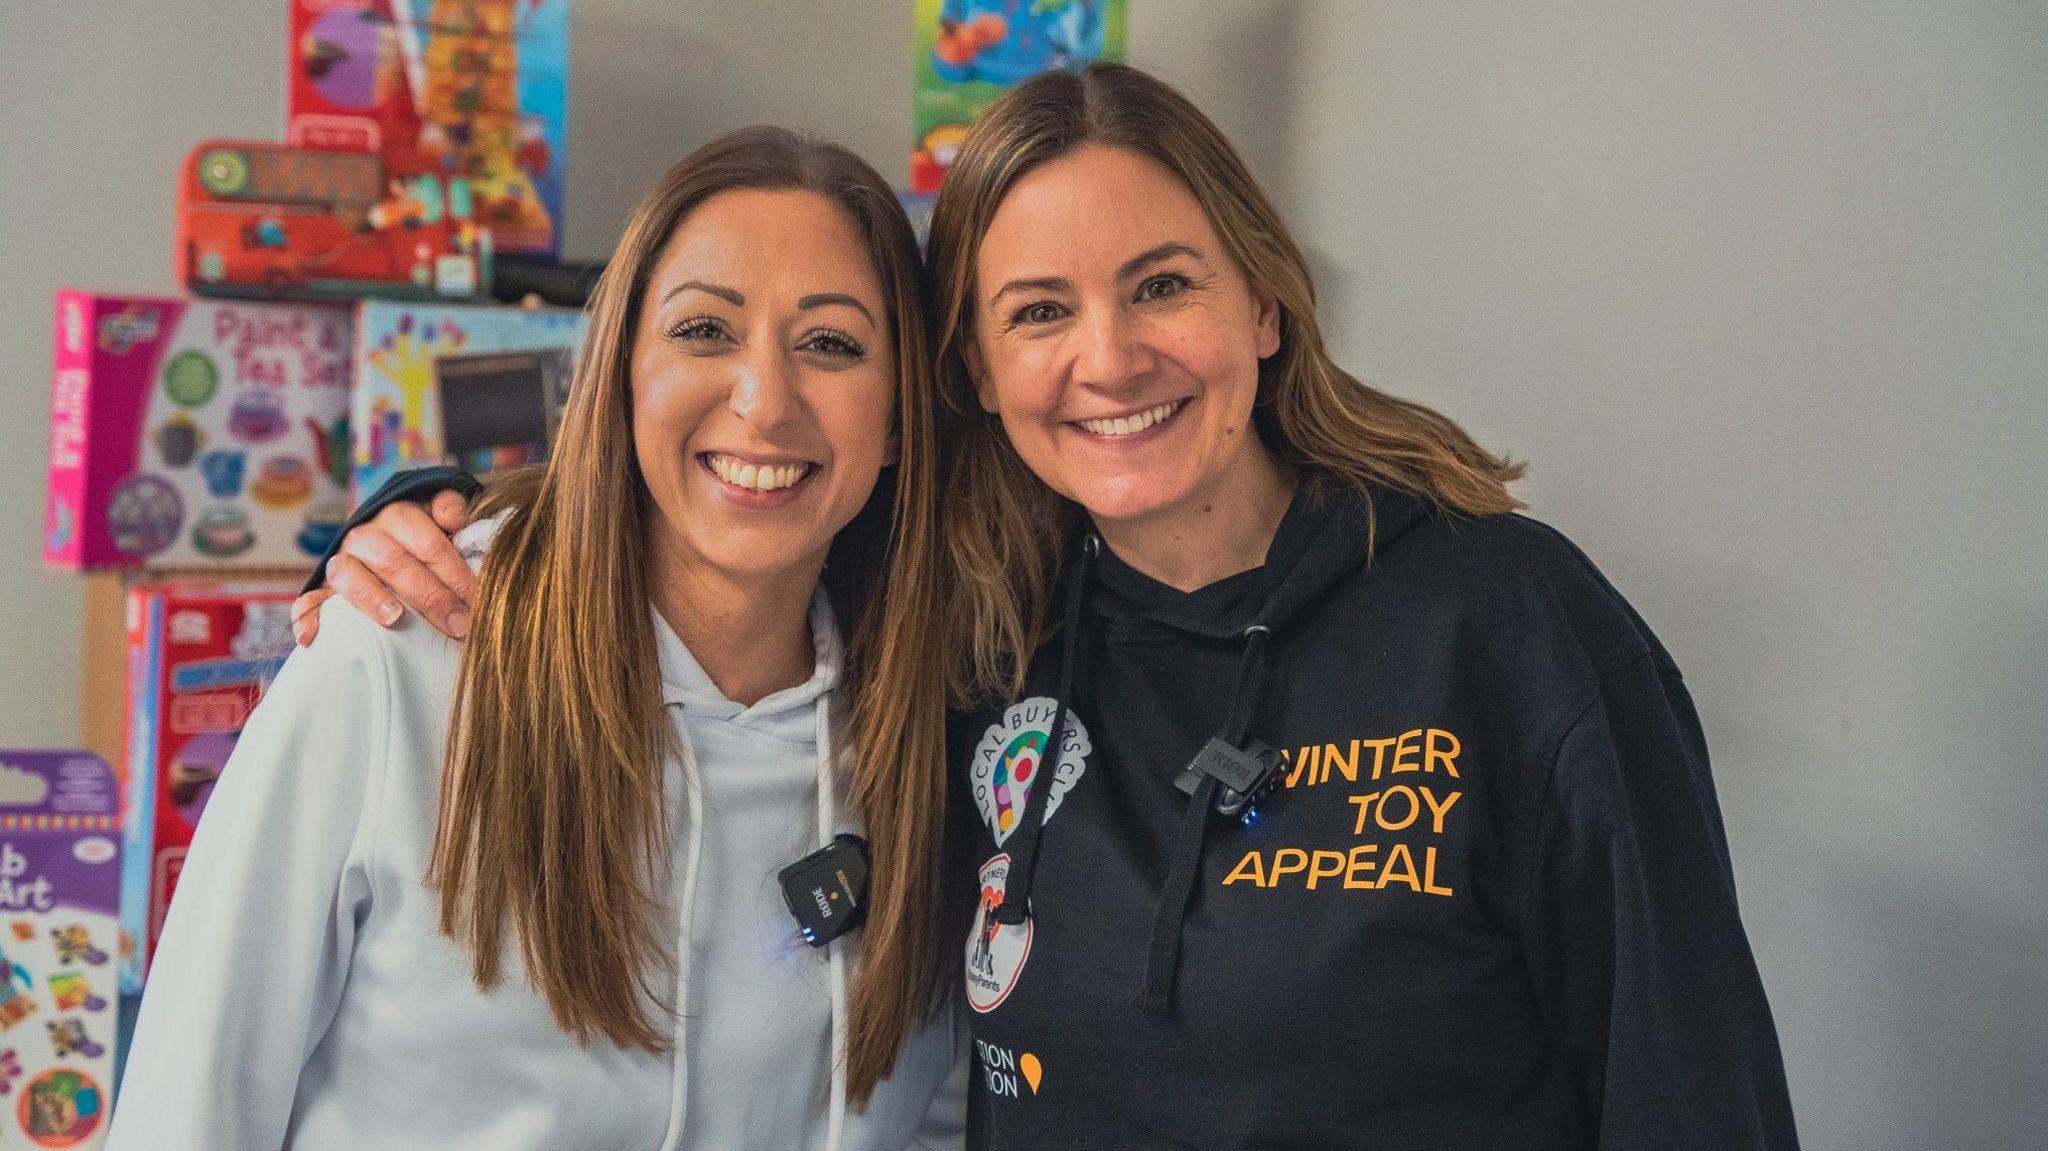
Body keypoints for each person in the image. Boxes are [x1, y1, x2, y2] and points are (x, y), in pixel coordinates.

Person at [306, 64, 1799, 1150]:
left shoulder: (1512, 626)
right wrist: (419, 522)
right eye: (1038, 310)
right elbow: (725, 498)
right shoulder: (964, 636)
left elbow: (1696, 1092)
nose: (1109, 357)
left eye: (1162, 286)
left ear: (1263, 306)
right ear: (967, 367)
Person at [111, 128, 964, 1151]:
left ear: (903, 416)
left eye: (830, 343)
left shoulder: (940, 730)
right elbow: (188, 1110)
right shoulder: (399, 652)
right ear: (617, 373)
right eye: (703, 330)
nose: (763, 399)